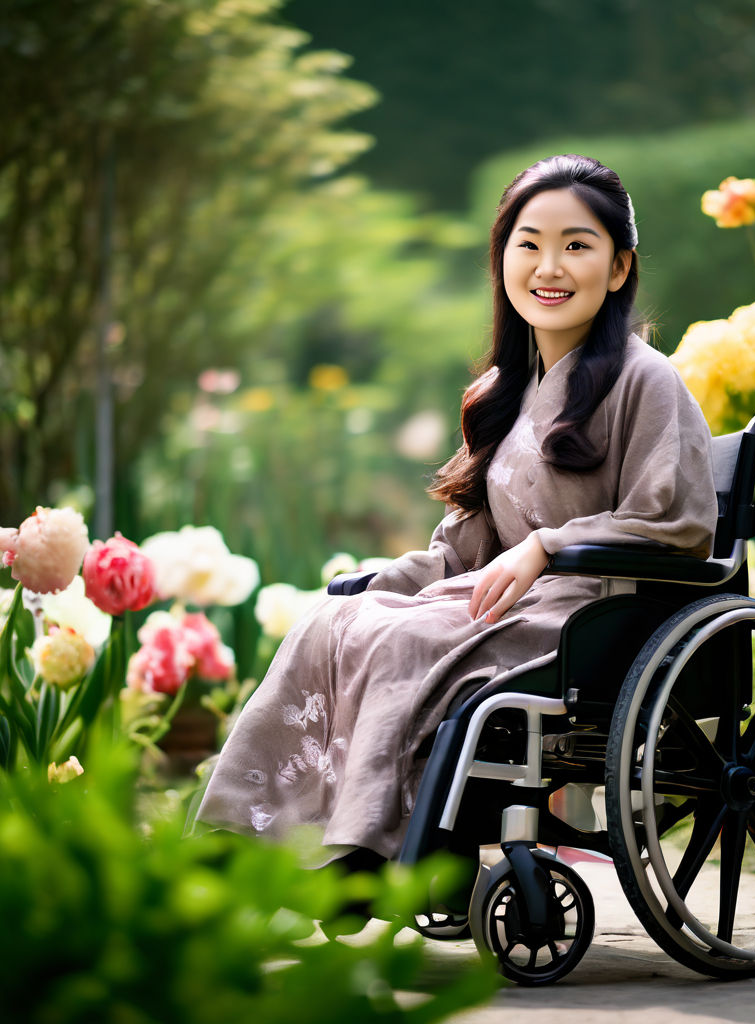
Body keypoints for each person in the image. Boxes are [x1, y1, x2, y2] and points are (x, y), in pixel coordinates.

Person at [195, 154, 718, 865]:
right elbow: (462, 549)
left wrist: (547, 547)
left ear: (619, 268)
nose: (549, 266)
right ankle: (245, 837)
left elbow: (678, 523)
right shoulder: (506, 391)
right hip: (504, 601)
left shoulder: (647, 380)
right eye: (528, 244)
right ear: (502, 261)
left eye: (577, 245)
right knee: (333, 620)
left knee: (406, 643)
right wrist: (384, 580)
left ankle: (365, 847)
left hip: (594, 616)